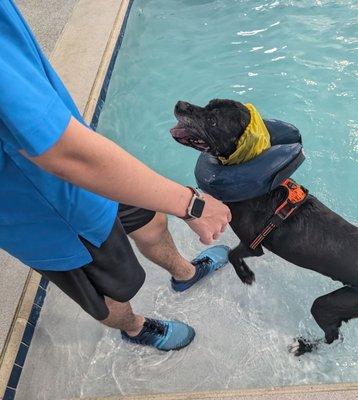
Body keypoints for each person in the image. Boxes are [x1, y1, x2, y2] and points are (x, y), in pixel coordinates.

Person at [0, 0, 231, 351]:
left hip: (78, 176)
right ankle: (136, 329)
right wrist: (192, 205)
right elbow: (62, 151)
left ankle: (185, 273)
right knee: (111, 291)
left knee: (151, 220)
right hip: (42, 207)